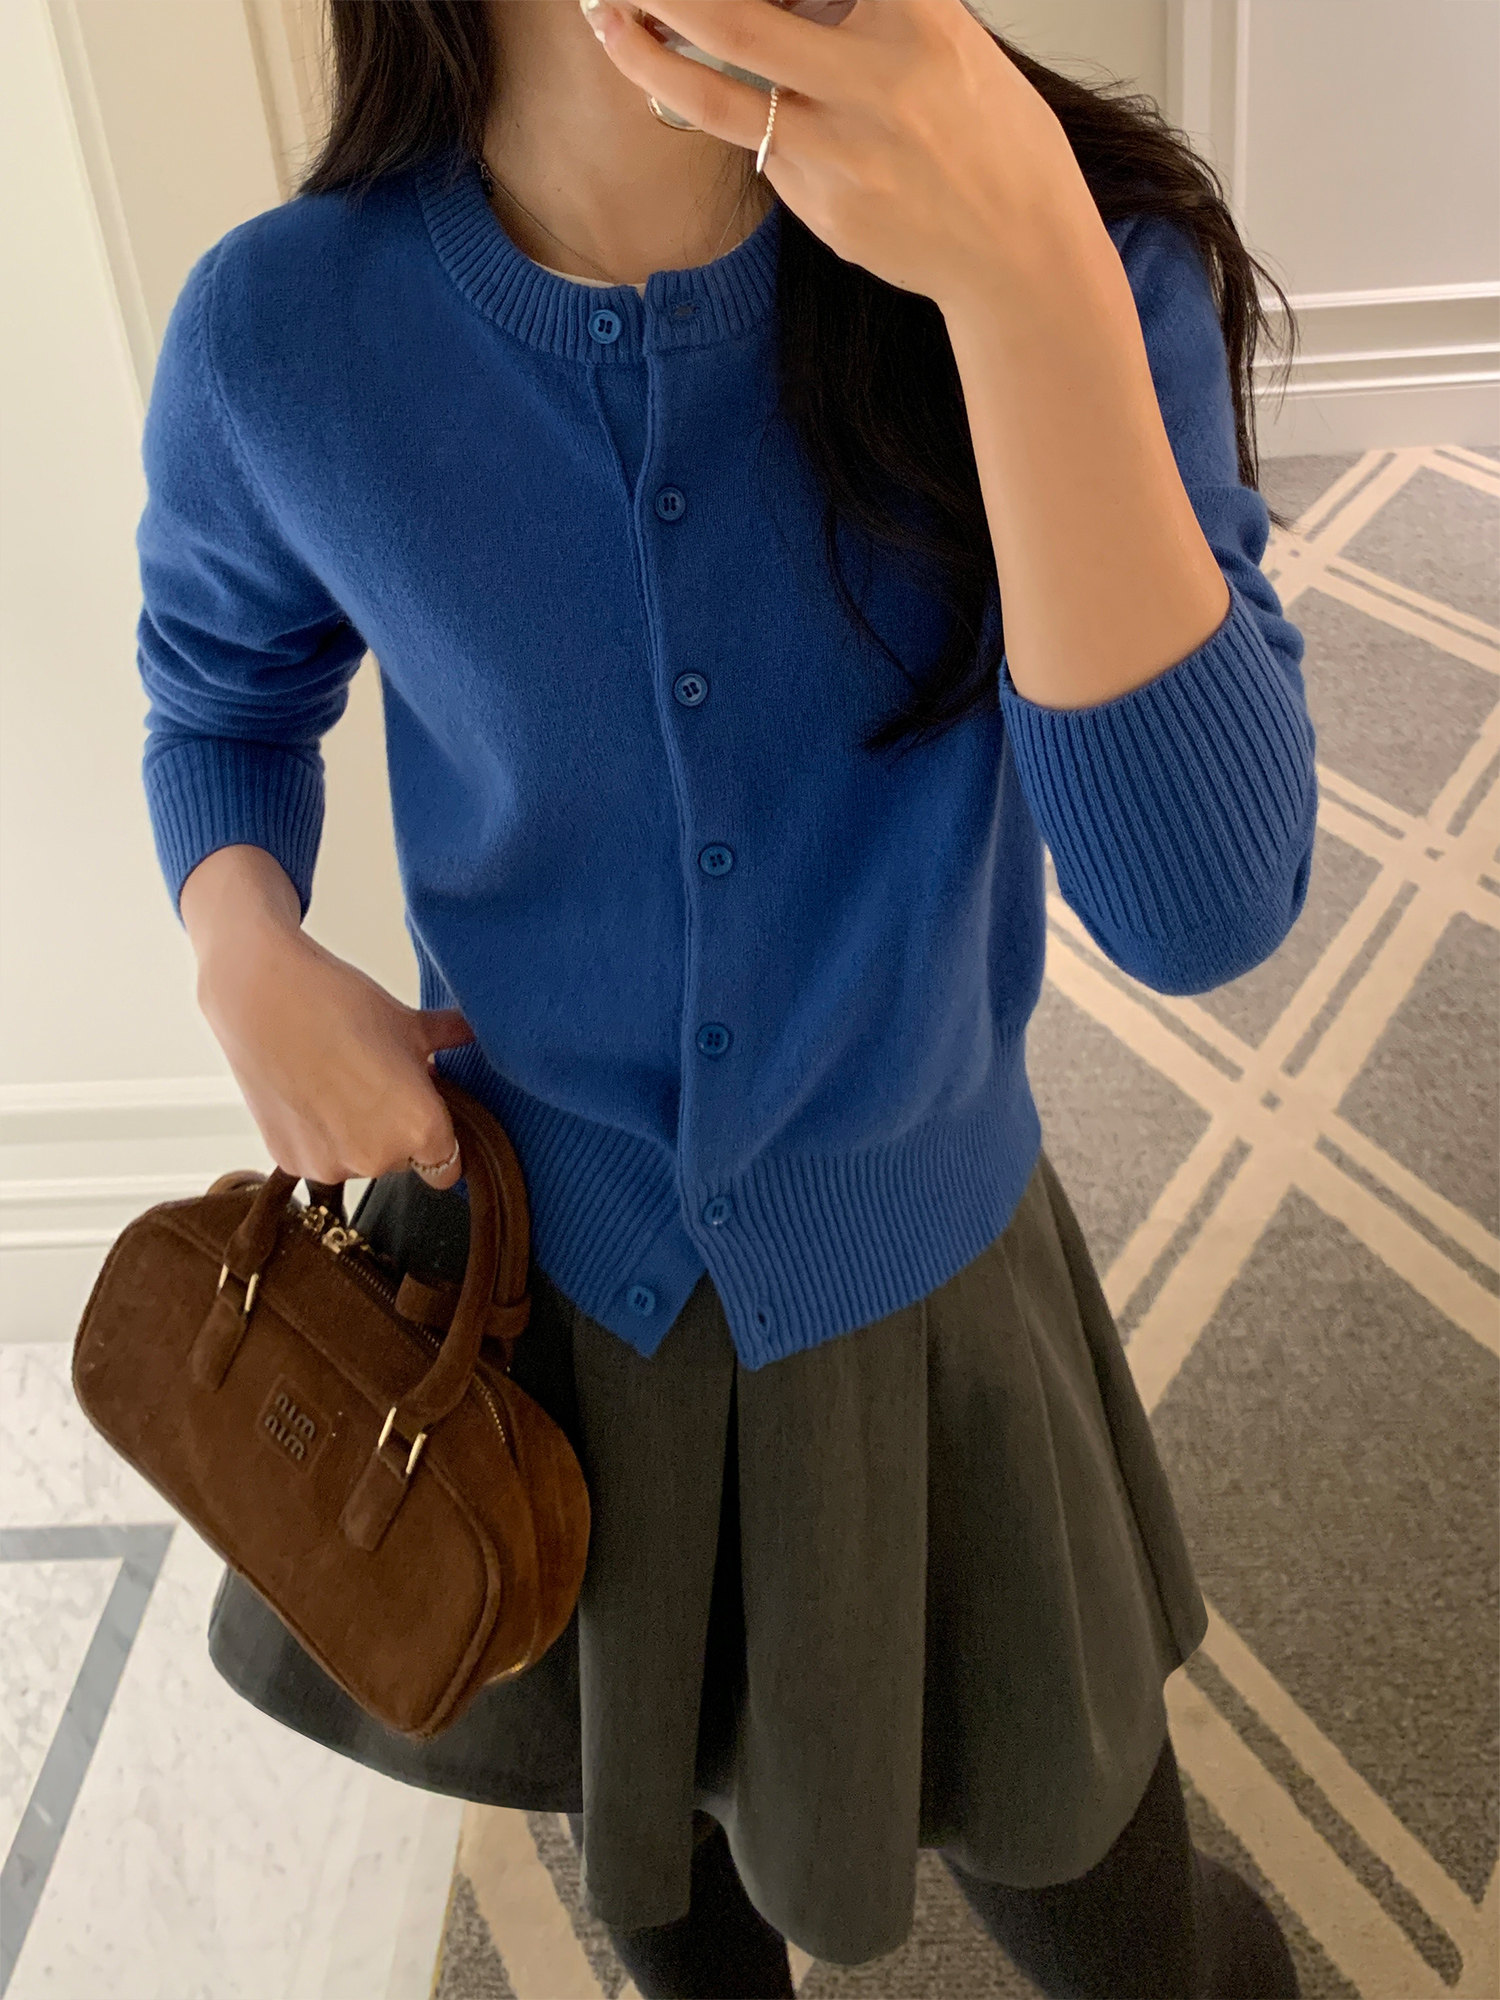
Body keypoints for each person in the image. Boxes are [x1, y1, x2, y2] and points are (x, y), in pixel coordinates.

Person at [134, 1, 1317, 1993]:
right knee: (668, 1895)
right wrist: (242, 941)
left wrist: (1023, 278)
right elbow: (219, 692)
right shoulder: (281, 333)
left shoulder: (1074, 250)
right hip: (545, 1314)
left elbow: (1199, 903)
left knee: (1121, 1916)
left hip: (931, 1296)